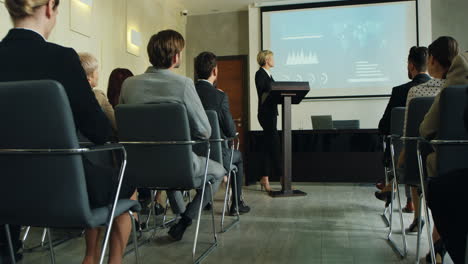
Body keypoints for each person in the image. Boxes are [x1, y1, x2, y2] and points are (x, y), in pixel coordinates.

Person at [0, 1, 136, 263]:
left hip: (5, 189)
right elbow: (98, 131)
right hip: (58, 190)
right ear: (50, 7)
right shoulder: (62, 59)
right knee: (125, 182)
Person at [120, 29, 226, 241]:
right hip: (177, 166)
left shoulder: (128, 85)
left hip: (137, 170)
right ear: (176, 56)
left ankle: (179, 215)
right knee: (218, 171)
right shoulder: (183, 84)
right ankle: (185, 218)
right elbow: (205, 131)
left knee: (170, 169)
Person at [396, 37, 459, 237]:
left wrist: (404, 154)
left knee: (416, 159)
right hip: (460, 163)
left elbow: (416, 130)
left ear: (431, 60)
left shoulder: (416, 91)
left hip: (430, 165)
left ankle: (420, 221)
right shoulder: (460, 89)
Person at [419, 51, 468, 264]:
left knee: (439, 186)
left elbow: (425, 130)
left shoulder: (447, 93)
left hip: (452, 174)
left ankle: (438, 246)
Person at [194, 51, 251, 215]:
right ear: (214, 71)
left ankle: (205, 201)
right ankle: (236, 204)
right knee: (238, 158)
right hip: (216, 155)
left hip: (192, 154)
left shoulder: (189, 92)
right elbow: (231, 131)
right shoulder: (219, 96)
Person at [375, 46, 431, 205]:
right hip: (434, 153)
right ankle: (410, 203)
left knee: (405, 146)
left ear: (411, 65)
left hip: (406, 156)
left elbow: (383, 126)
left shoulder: (400, 91)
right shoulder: (440, 90)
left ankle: (400, 194)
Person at [255, 50, 281, 192]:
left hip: (271, 113)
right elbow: (264, 90)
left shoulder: (269, 74)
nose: (274, 60)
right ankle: (282, 177)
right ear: (266, 60)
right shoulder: (260, 74)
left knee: (267, 146)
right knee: (274, 145)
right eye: (272, 58)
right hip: (265, 114)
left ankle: (264, 177)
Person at [78, 52, 117, 132]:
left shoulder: (62, 95)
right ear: (89, 78)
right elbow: (116, 125)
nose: (98, 74)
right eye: (96, 71)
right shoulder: (98, 95)